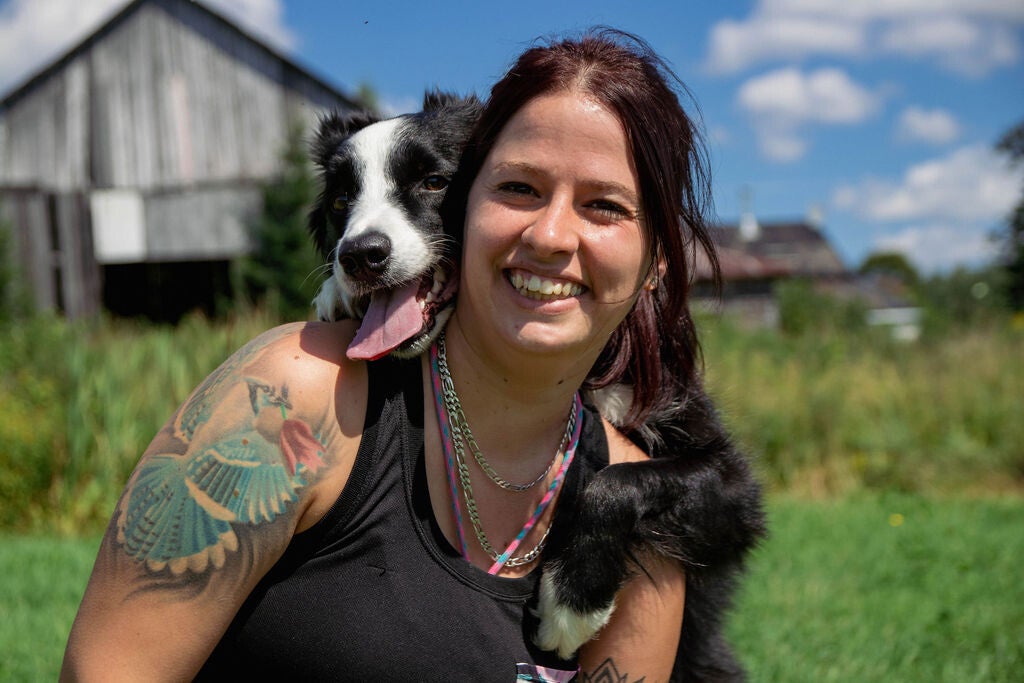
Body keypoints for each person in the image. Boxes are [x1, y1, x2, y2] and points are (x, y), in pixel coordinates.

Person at [62, 28, 722, 681]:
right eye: (519, 188)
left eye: (603, 205)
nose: (550, 234)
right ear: (475, 204)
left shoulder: (649, 499)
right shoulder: (294, 393)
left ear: (658, 259)